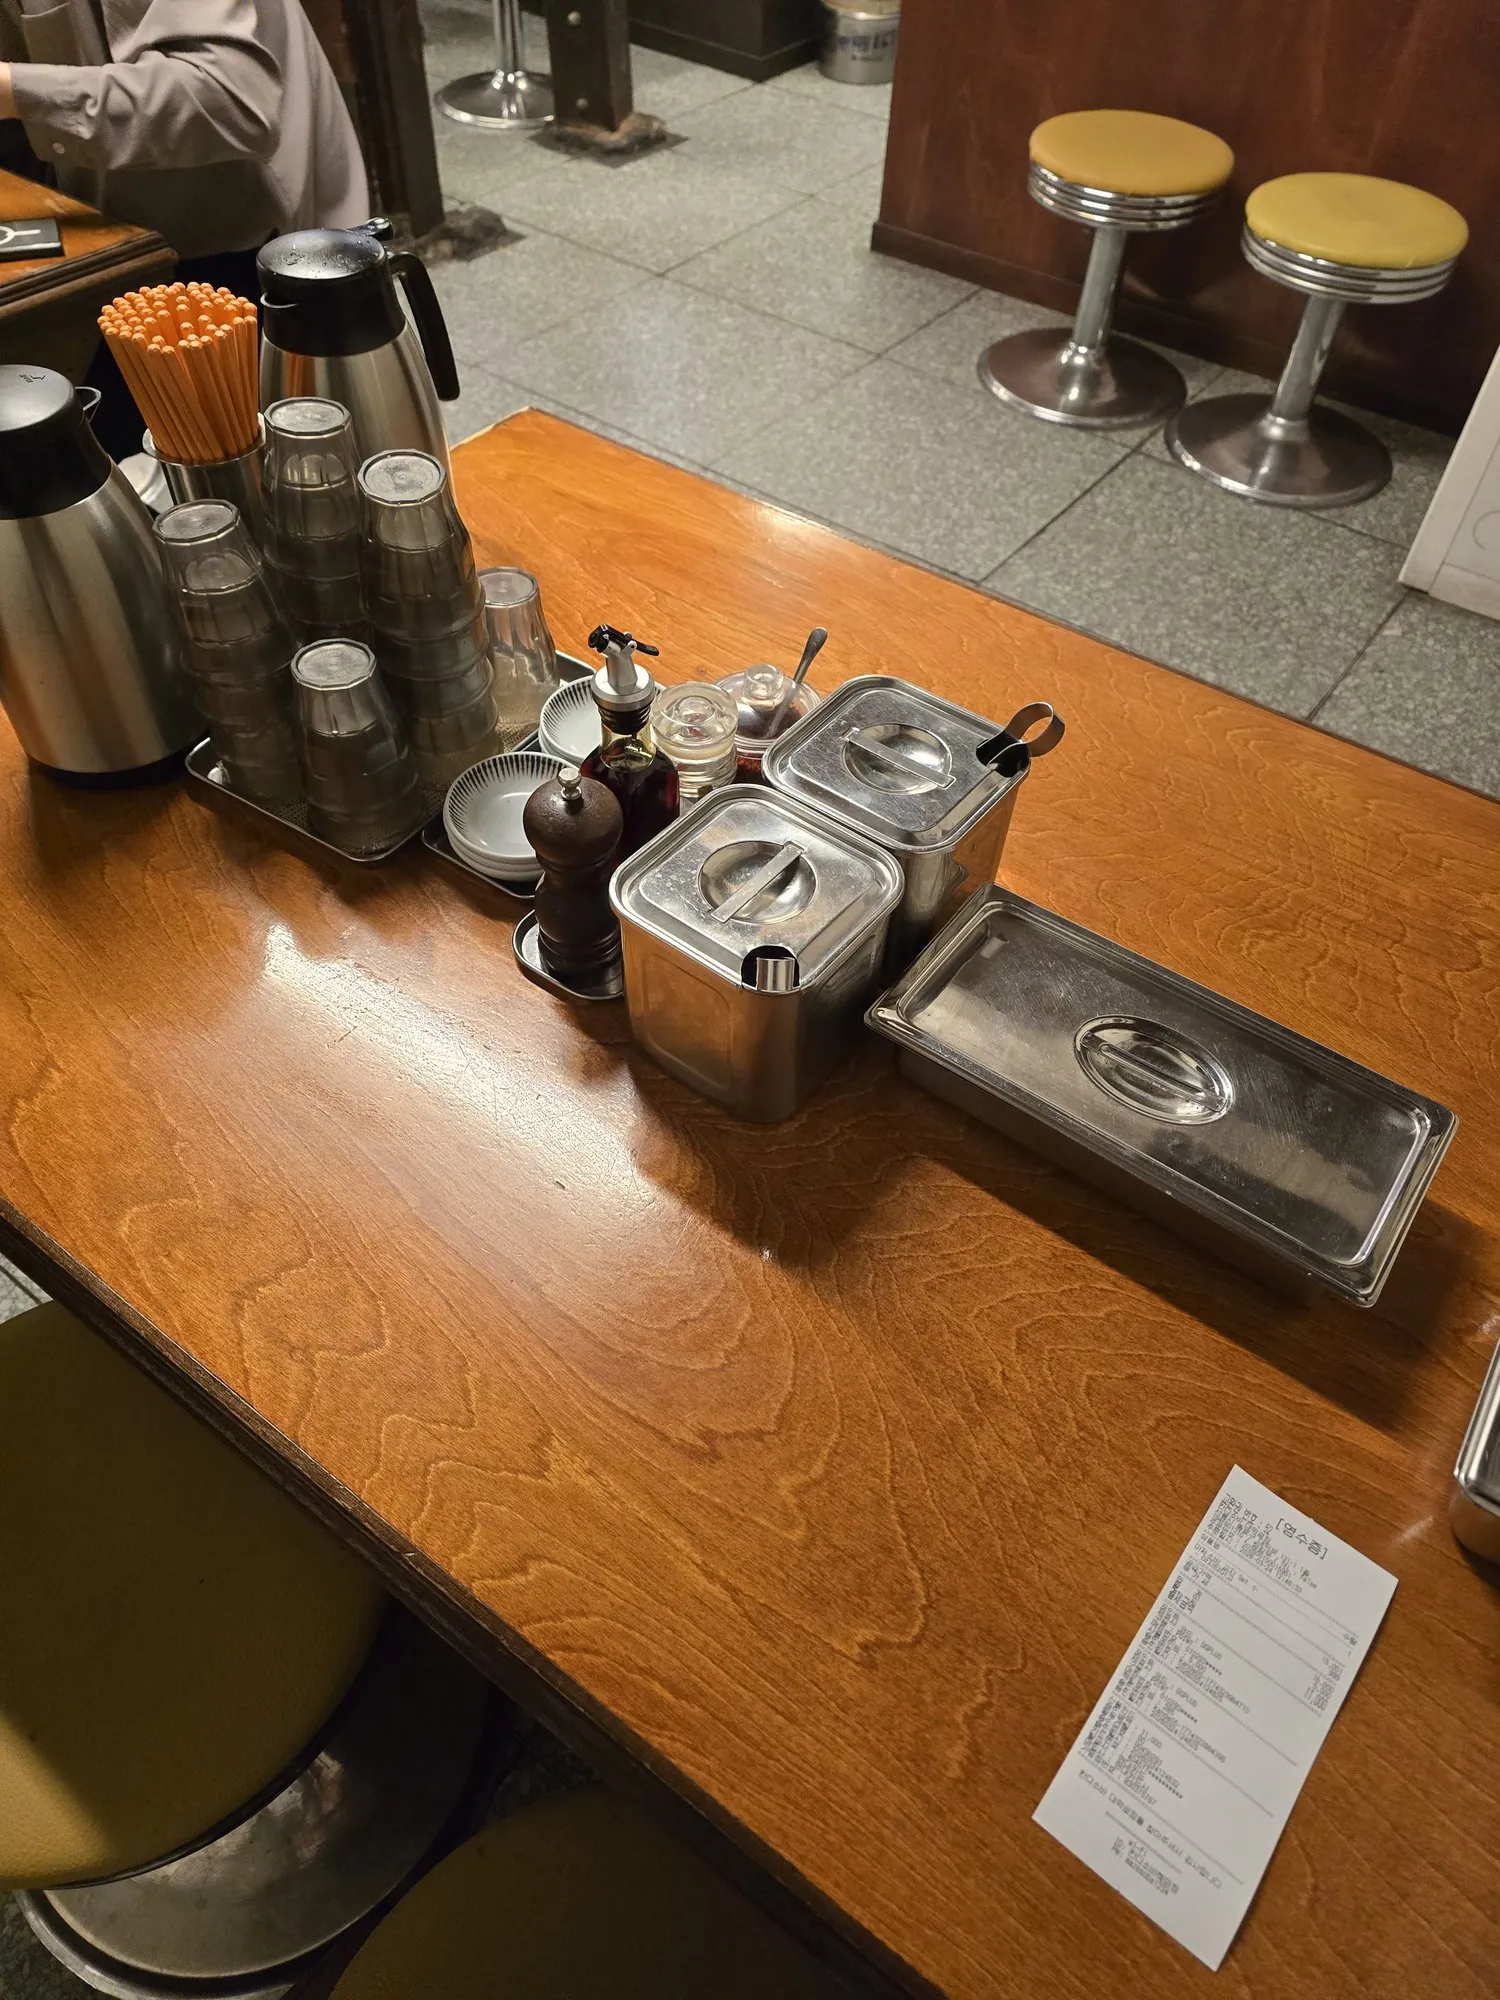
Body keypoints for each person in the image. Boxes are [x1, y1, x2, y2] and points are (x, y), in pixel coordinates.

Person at [0, 0, 370, 453]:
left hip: (233, 254)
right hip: (118, 235)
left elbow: (228, 96)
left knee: (261, 479)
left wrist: (11, 90)